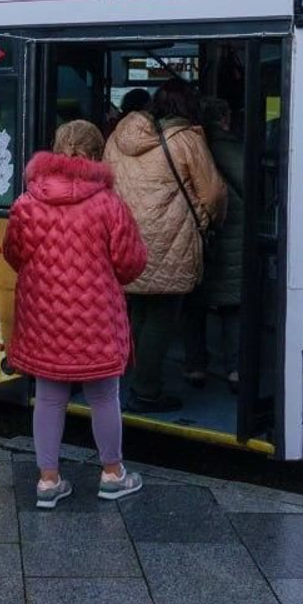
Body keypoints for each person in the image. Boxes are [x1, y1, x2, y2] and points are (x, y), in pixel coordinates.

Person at [4, 120, 148, 507]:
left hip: (43, 317)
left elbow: (13, 254)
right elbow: (131, 263)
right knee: (104, 396)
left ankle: (48, 482)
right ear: (95, 154)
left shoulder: (27, 202)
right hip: (96, 318)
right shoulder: (109, 205)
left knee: (49, 398)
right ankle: (112, 474)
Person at [104, 78, 228, 414]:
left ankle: (122, 383)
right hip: (170, 242)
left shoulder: (118, 136)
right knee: (161, 315)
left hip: (125, 240)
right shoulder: (186, 140)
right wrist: (206, 220)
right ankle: (145, 391)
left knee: (138, 312)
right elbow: (214, 194)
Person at [185, 96, 246, 391]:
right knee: (230, 306)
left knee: (194, 303)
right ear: (224, 118)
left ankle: (196, 366)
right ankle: (234, 368)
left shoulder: (192, 145)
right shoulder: (226, 146)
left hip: (196, 232)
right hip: (228, 232)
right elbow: (247, 182)